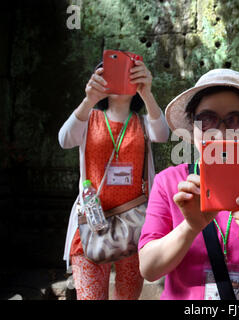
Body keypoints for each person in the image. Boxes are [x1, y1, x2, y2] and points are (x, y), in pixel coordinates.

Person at [138, 68, 239, 300]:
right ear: (193, 126)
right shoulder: (169, 182)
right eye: (207, 119)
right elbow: (149, 269)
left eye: (235, 120)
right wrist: (190, 227)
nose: (220, 132)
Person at [58, 58, 170, 300]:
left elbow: (162, 133)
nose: (120, 79)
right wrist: (89, 100)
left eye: (128, 74)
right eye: (111, 73)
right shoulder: (89, 118)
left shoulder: (141, 122)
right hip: (91, 224)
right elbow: (65, 139)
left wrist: (147, 93)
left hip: (134, 224)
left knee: (128, 296)